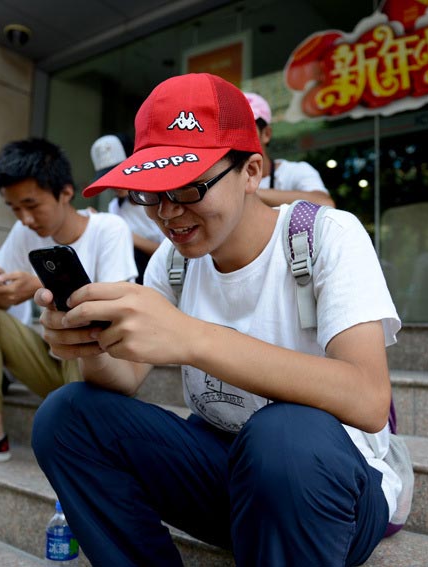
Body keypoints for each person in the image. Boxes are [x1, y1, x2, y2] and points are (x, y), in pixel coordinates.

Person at [31, 73, 401, 566]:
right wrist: (91, 345)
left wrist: (193, 338)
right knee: (67, 415)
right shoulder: (174, 260)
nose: (167, 213)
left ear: (252, 171)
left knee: (284, 435)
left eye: (187, 187)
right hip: (225, 475)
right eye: (149, 192)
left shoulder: (326, 235)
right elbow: (122, 381)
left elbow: (369, 398)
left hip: (325, 489)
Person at [0, 138, 137, 471]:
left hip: (100, 368)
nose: (24, 218)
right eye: (15, 208)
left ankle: (86, 445)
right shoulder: (23, 233)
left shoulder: (109, 229)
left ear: (65, 192)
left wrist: (38, 285)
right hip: (51, 362)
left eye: (32, 205)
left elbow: (117, 309)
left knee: (73, 316)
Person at [92, 133, 166, 283]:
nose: (114, 184)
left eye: (120, 173)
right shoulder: (116, 206)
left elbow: (171, 253)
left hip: (159, 274)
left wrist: (124, 232)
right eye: (108, 177)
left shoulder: (157, 200)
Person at [243, 91, 335, 207]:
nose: (237, 137)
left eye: (245, 129)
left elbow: (325, 203)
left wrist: (249, 191)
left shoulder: (294, 172)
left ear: (266, 134)